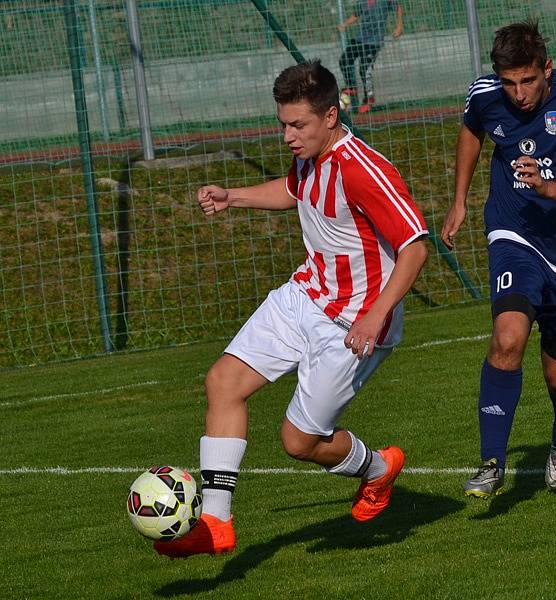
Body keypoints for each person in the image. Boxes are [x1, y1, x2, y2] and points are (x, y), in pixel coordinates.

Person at [155, 60, 428, 558]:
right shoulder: (309, 156)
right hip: (305, 295)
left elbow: (415, 247)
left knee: (299, 443)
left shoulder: (364, 170)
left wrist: (375, 314)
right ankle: (216, 523)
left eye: (297, 124)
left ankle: (379, 469)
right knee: (222, 382)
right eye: (283, 123)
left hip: (354, 322)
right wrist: (233, 196)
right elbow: (294, 190)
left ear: (330, 115)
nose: (287, 136)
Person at [440, 20, 556, 498]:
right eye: (509, 82)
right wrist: (459, 200)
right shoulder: (485, 95)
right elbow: (472, 131)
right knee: (507, 337)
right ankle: (492, 462)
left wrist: (546, 187)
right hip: (514, 231)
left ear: (547, 69)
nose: (518, 93)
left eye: (528, 81)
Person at [337, 0, 403, 114]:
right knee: (344, 61)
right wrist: (345, 24)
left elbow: (398, 8)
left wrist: (399, 26)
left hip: (374, 42)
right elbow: (356, 14)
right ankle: (351, 88)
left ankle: (369, 97)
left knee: (364, 69)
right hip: (360, 39)